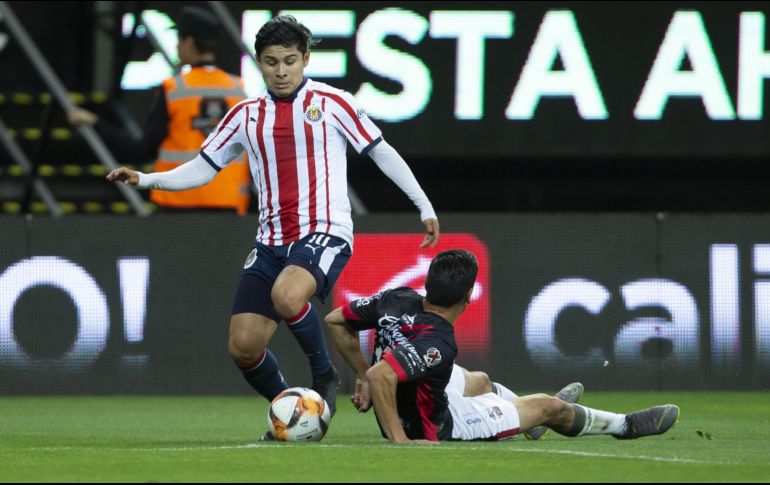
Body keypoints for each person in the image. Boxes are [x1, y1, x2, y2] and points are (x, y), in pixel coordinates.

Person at [105, 15, 440, 419]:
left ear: (305, 60)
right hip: (270, 241)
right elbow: (202, 168)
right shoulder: (245, 115)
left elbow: (381, 151)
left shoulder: (333, 103)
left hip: (326, 231)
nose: (280, 71)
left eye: (289, 61)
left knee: (288, 295)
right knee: (243, 346)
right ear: (258, 64)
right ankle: (297, 413)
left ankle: (324, 374)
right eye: (270, 62)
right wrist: (145, 179)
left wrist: (423, 205)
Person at [325, 249, 680, 444]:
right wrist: (400, 440)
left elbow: (336, 320)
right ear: (467, 297)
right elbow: (381, 374)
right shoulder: (440, 340)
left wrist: (361, 377)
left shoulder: (398, 297)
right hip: (436, 427)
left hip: (410, 398)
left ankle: (524, 422)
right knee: (548, 405)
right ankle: (624, 426)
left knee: (478, 379)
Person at [71, 6, 251, 214]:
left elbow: (142, 150)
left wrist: (95, 123)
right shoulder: (238, 90)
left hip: (177, 204)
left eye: (179, 39)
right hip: (228, 205)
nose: (176, 46)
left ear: (189, 42)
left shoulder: (174, 90)